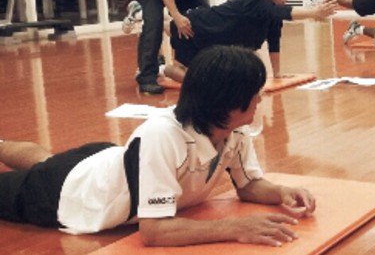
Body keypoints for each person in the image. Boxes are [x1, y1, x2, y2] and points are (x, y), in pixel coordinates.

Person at [0, 45, 316, 247]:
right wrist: (236, 228)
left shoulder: (233, 129)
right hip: (70, 194)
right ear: (225, 102)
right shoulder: (162, 136)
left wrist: (281, 193)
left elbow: (248, 185)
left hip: (103, 161)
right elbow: (154, 231)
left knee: (46, 161)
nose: (259, 98)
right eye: (253, 93)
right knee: (44, 170)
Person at [164, 0, 337, 83]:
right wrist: (314, 12)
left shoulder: (273, 11)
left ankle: (163, 24)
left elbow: (274, 41)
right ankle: (162, 66)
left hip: (215, 41)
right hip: (194, 27)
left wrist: (277, 73)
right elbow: (283, 13)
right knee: (190, 76)